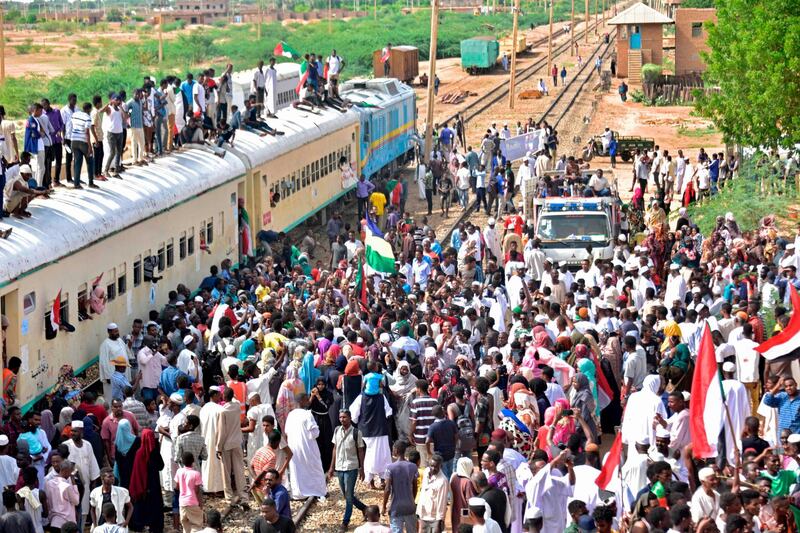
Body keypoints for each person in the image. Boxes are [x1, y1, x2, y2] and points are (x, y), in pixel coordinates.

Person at [328, 409, 366, 531]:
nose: (342, 419)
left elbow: (361, 450)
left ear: (349, 418)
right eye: (340, 417)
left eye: (344, 417)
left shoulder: (356, 432)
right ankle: (364, 508)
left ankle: (345, 522)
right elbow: (335, 448)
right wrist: (331, 467)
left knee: (349, 495)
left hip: (351, 467)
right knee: (345, 494)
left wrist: (362, 468)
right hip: (339, 467)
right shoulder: (336, 431)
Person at [284, 392, 327, 499]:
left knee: (298, 470)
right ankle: (319, 491)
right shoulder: (307, 414)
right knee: (314, 467)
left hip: (294, 447)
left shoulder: (290, 415)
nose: (308, 401)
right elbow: (315, 433)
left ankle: (299, 493)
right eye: (307, 399)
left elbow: (286, 432)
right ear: (302, 400)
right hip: (308, 447)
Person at [215, 387, 246, 507]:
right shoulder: (237, 406)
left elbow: (221, 431)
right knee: (239, 469)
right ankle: (243, 495)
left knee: (226, 472)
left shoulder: (222, 411)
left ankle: (229, 498)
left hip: (226, 444)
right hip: (237, 441)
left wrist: (218, 447)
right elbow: (237, 400)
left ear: (223, 396)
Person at [382, 440, 418, 533]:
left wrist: (384, 506)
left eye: (393, 449)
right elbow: (415, 486)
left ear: (396, 450)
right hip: (410, 506)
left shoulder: (390, 468)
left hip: (395, 507)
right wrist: (412, 499)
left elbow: (387, 489)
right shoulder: (413, 466)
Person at [416, 454, 449, 533]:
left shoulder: (443, 481)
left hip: (433, 518)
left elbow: (442, 502)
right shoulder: (426, 472)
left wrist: (439, 521)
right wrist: (418, 512)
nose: (433, 469)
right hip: (423, 514)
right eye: (431, 466)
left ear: (440, 466)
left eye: (436, 467)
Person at [174, 452, 204, 533]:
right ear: (193, 461)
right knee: (196, 525)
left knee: (185, 526)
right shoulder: (196, 474)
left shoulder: (179, 471)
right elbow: (197, 491)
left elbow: (177, 486)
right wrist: (200, 504)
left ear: (182, 461)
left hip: (182, 503)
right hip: (193, 502)